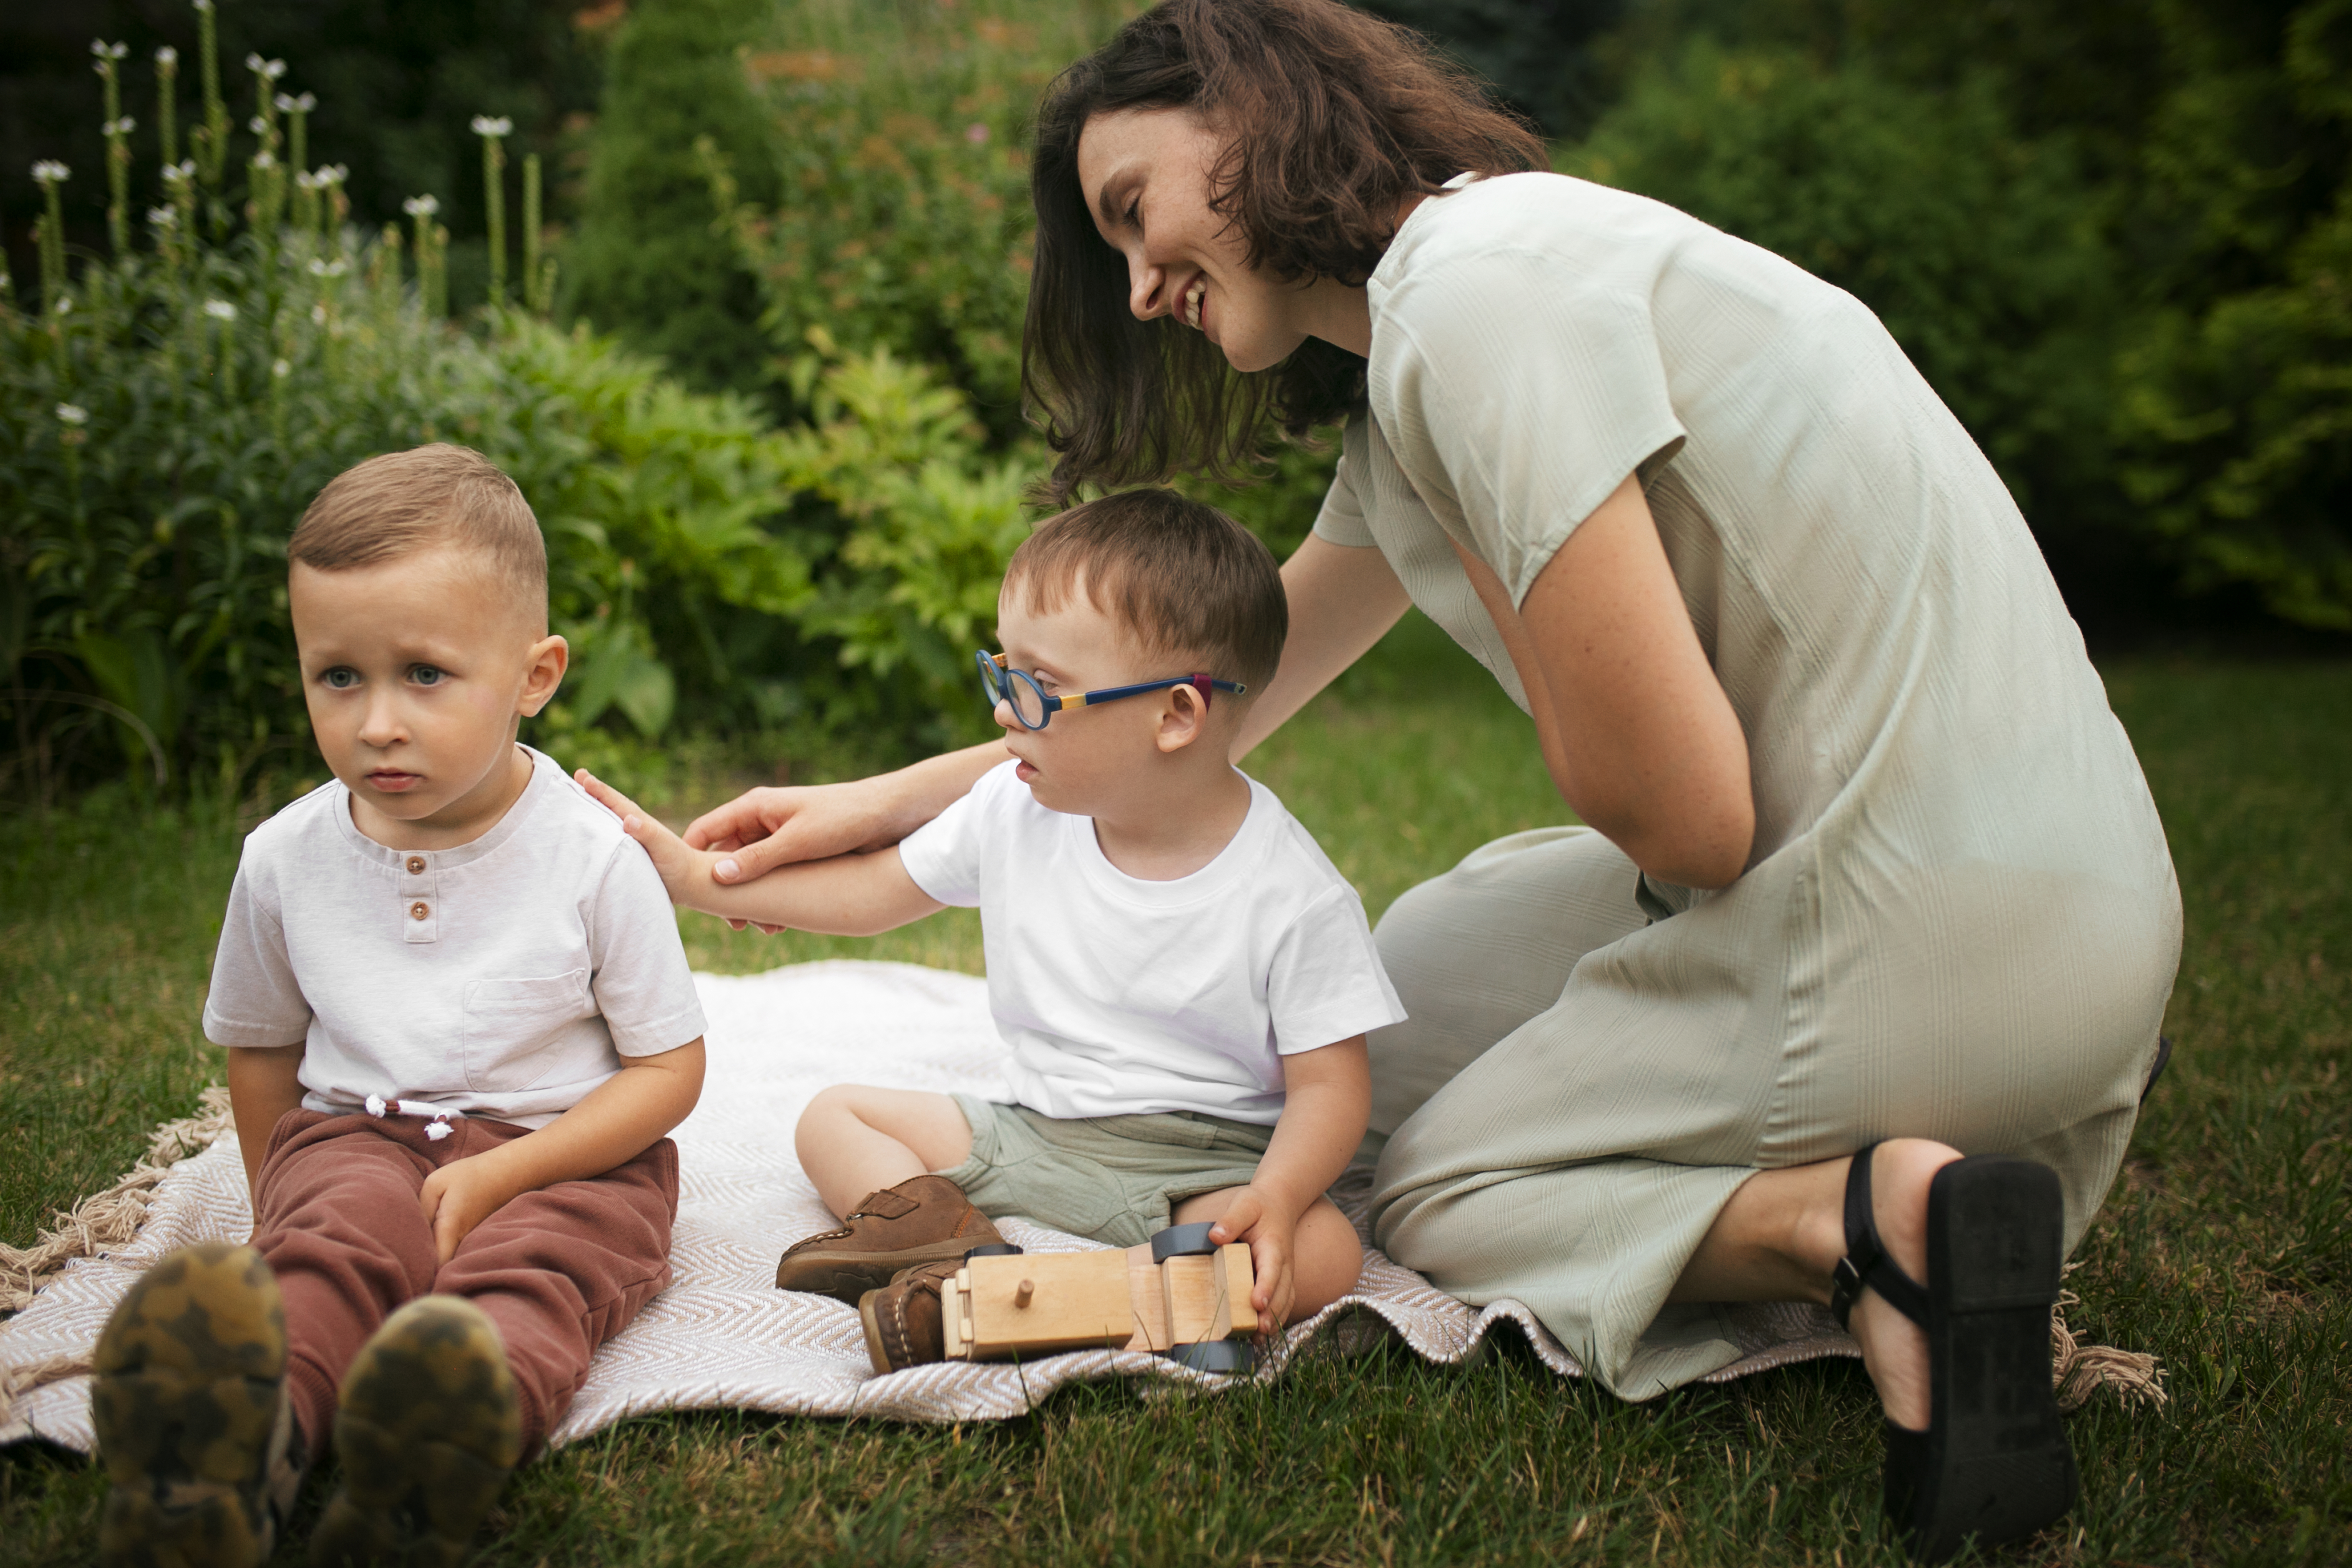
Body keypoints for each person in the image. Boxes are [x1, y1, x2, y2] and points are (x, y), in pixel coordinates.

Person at [681, 0, 2185, 1557]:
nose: (1138, 291)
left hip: (1929, 920)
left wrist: (1494, 519)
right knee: (1401, 993)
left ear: (1252, 116)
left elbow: (1686, 813)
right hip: (2018, 888)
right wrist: (880, 802)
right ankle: (1894, 1228)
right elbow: (1223, 695)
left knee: (1436, 1193)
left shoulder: (1472, 305)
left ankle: (1861, 1224)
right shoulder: (1467, 306)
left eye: (1138, 214)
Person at [581, 491, 1403, 1374]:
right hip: (1036, 1131)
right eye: (1002, 673)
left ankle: (1081, 1294)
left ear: (1175, 716)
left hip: (1201, 1162)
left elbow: (1331, 1091)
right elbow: (876, 890)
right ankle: (949, 1252)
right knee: (835, 1117)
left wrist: (1274, 1198)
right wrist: (695, 879)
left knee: (1322, 1251)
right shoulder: (1016, 806)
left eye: (1039, 689)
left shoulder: (1293, 894)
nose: (1007, 712)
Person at [90, 445, 709, 1568]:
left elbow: (669, 1074)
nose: (377, 722)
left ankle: (433, 1442)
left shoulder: (588, 857)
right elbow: (264, 1047)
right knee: (333, 1246)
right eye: (339, 677)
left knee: (535, 1275)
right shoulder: (284, 858)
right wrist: (285, 1195)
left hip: (566, 1154)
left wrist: (508, 1172)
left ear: (536, 675)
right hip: (360, 1131)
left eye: (425, 675)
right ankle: (239, 1437)